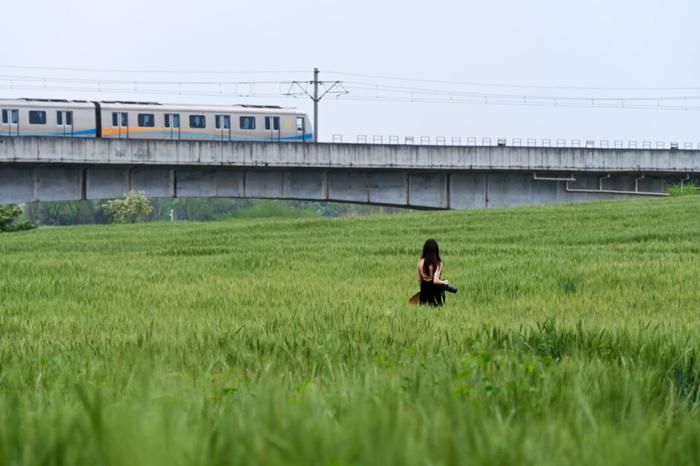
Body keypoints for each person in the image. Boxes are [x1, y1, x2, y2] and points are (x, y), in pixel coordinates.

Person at [417, 239, 450, 306]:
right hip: (435, 293)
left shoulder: (420, 262)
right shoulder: (438, 263)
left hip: (424, 291)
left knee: (423, 311)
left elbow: (420, 280)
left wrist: (422, 291)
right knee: (437, 311)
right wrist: (444, 282)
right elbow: (435, 280)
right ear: (436, 250)